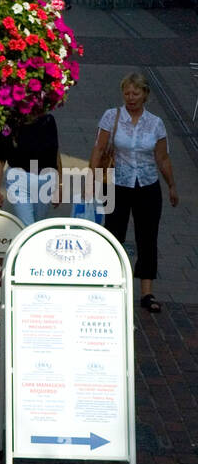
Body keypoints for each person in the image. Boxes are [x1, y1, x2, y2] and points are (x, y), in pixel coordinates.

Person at [89, 72, 178, 313]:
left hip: (147, 185)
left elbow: (163, 157)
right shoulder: (111, 116)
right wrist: (92, 177)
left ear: (145, 95)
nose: (130, 97)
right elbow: (98, 148)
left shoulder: (156, 123)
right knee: (113, 233)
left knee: (147, 237)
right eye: (127, 93)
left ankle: (146, 293)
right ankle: (110, 283)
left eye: (135, 93)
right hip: (117, 184)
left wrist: (171, 185)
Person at [0, 109, 61, 227]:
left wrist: (59, 186)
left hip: (45, 180)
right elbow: (0, 158)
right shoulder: (10, 123)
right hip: (19, 179)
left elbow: (56, 155)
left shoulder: (48, 120)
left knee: (38, 226)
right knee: (27, 227)